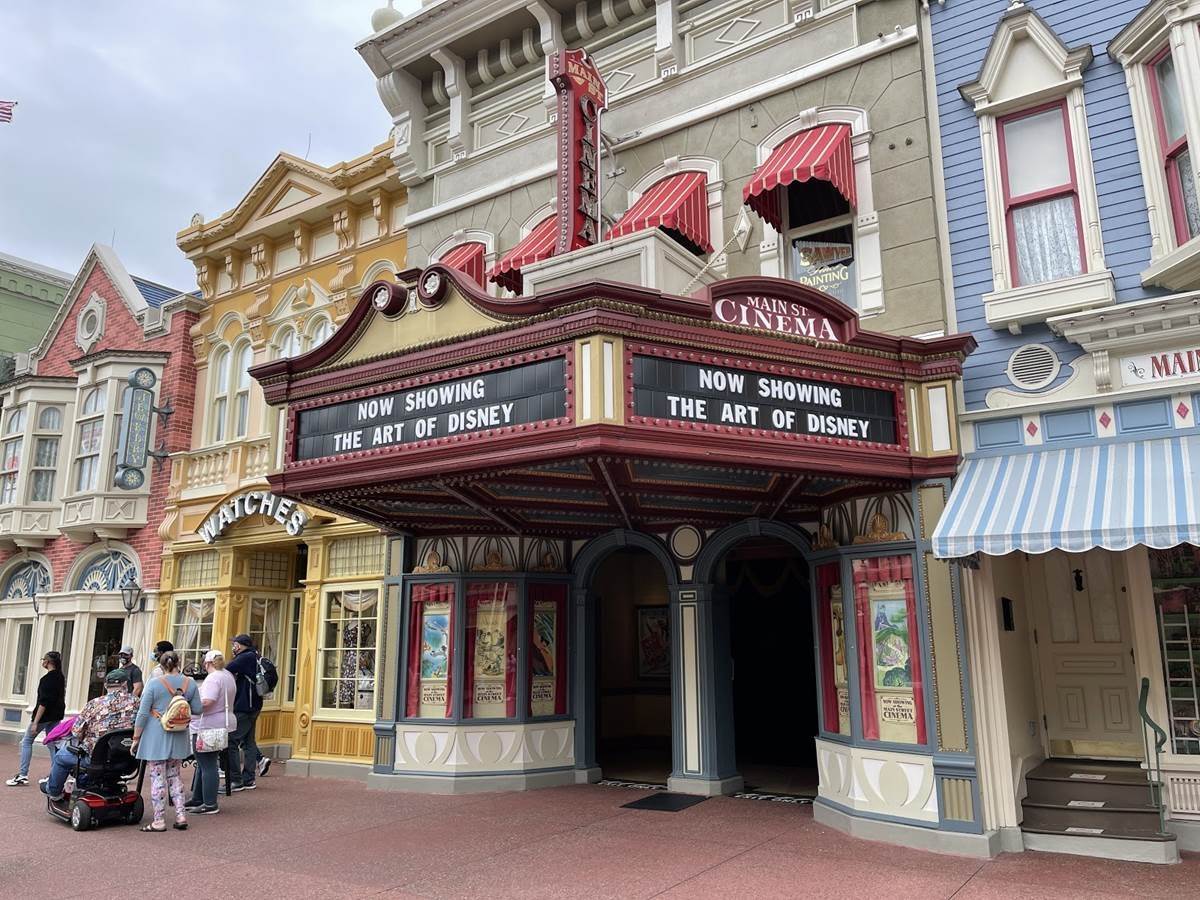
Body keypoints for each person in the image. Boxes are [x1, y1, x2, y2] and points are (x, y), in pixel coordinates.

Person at [40, 668, 138, 801]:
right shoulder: (137, 703)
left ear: (105, 685)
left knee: (61, 757)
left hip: (96, 760)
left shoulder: (94, 704)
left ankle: (54, 792)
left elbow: (76, 731)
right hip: (127, 760)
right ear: (125, 684)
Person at [132, 651, 201, 832]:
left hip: (156, 733)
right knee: (175, 775)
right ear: (179, 663)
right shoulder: (190, 683)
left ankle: (159, 820)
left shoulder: (155, 683)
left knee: (157, 777)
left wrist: (136, 738)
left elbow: (142, 712)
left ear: (161, 666)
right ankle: (180, 815)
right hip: (179, 734)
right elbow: (198, 709)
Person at [185, 650, 235, 815]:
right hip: (221, 722)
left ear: (207, 663)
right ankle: (199, 798)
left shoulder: (214, 678)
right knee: (205, 762)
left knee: (207, 763)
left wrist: (188, 706)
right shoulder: (227, 675)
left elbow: (207, 701)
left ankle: (209, 803)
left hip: (208, 724)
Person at [6, 651, 65, 787]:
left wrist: (35, 722)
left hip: (44, 716)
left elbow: (43, 702)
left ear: (48, 662)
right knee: (53, 744)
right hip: (55, 716)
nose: (42, 662)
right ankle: (54, 774)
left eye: (43, 659)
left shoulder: (46, 679)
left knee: (27, 741)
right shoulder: (60, 677)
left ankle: (23, 774)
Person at [225, 634, 263, 792]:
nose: (233, 647)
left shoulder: (244, 657)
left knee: (231, 741)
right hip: (254, 705)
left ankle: (236, 780)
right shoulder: (255, 656)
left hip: (244, 706)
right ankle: (249, 779)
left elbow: (226, 669)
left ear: (240, 645)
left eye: (234, 644)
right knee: (249, 742)